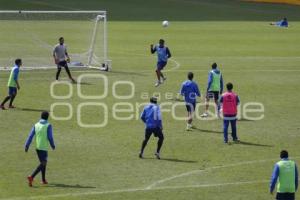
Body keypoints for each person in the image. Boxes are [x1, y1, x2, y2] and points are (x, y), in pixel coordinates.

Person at [25, 111, 55, 187]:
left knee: (43, 163)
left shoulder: (36, 125)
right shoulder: (48, 125)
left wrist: (27, 145)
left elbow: (30, 136)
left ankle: (43, 180)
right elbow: (50, 137)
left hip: (38, 147)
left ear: (41, 116)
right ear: (47, 117)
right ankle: (31, 177)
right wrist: (52, 145)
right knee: (43, 163)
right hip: (43, 148)